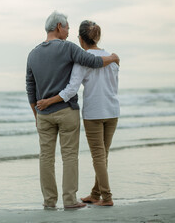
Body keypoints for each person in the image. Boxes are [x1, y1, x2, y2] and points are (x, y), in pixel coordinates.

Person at [26, 11, 119, 209]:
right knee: (69, 156)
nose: (69, 32)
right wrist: (112, 58)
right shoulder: (68, 48)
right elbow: (94, 62)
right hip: (67, 110)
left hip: (43, 113)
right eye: (67, 27)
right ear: (59, 26)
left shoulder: (33, 53)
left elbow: (30, 87)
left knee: (46, 157)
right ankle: (69, 200)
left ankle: (49, 202)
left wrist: (36, 113)